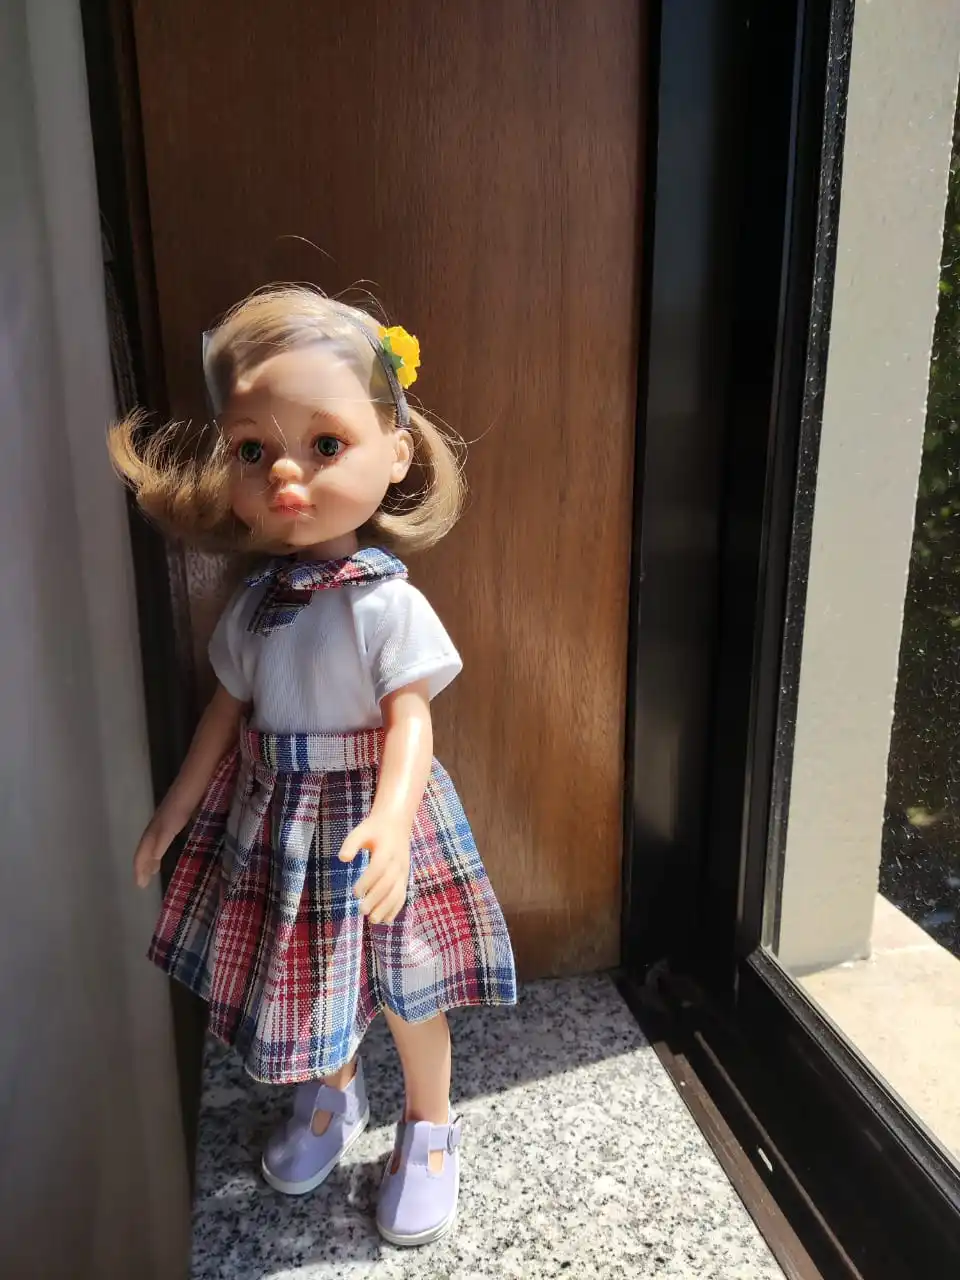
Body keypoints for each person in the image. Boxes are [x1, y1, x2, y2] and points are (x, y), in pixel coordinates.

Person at [109, 285, 516, 1247]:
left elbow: (410, 720)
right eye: (254, 451)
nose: (286, 472)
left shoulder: (386, 605)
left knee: (409, 989)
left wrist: (392, 819)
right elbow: (224, 715)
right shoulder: (254, 609)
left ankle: (430, 1125)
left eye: (326, 444)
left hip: (375, 823)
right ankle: (334, 1096)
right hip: (280, 826)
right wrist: (174, 811)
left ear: (396, 453)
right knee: (308, 978)